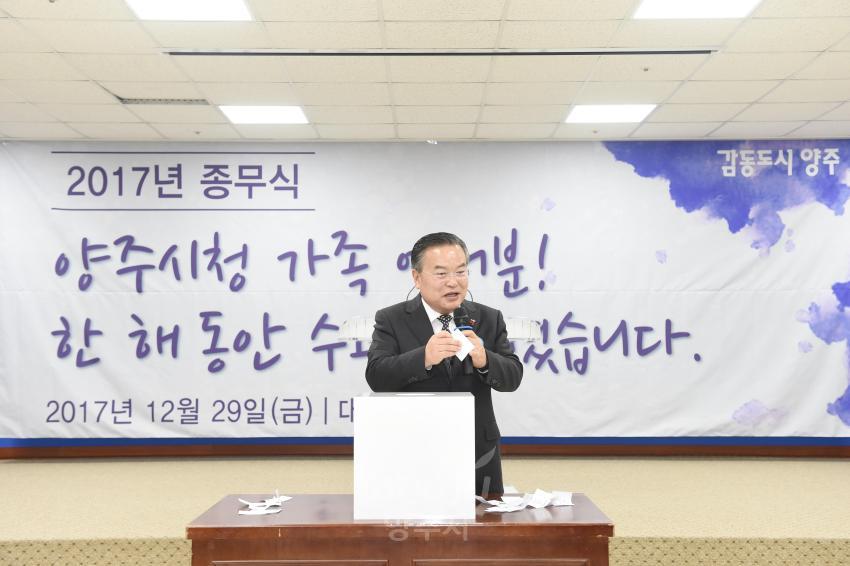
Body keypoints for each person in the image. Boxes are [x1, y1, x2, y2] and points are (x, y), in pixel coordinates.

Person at [365, 232, 523, 497]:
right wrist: (423, 358)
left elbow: (513, 377)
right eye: (441, 274)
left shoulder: (488, 317)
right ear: (417, 278)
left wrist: (485, 359)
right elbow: (377, 376)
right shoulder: (392, 319)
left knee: (484, 519)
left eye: (461, 272)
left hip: (477, 449)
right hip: (414, 446)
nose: (453, 282)